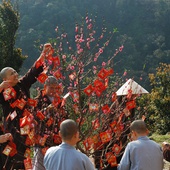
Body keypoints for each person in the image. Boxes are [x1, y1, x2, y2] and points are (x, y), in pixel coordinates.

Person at [0, 43, 53, 169]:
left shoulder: (22, 85)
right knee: (12, 160)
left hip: (28, 130)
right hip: (13, 132)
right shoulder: (2, 93)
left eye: (15, 71)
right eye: (12, 73)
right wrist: (1, 87)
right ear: (5, 78)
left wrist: (43, 54)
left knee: (26, 161)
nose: (15, 74)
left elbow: (32, 73)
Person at [33, 76, 67, 170]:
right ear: (45, 87)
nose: (54, 90)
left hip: (57, 139)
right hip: (42, 139)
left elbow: (65, 117)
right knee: (40, 165)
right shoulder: (38, 100)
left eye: (56, 88)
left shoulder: (59, 100)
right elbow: (34, 117)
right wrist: (47, 110)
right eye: (51, 87)